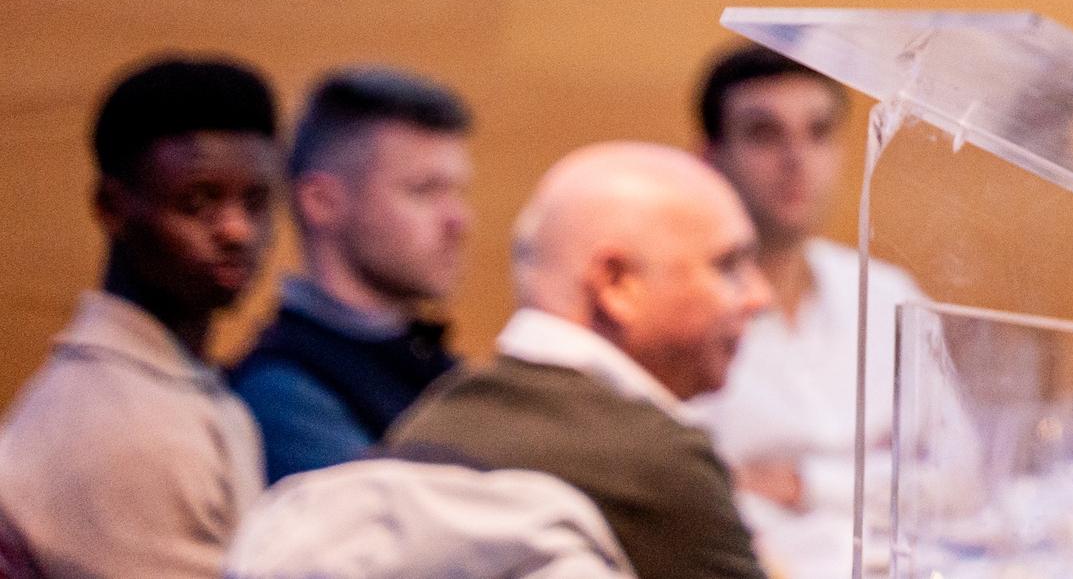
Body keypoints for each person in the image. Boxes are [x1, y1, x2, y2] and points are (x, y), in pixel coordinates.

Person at [388, 141, 773, 579]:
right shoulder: (661, 467)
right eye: (728, 267)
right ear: (616, 283)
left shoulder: (418, 430)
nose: (759, 297)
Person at [0, 55, 279, 579]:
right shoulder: (120, 429)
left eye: (257, 202)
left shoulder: (169, 385)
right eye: (198, 202)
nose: (237, 230)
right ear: (112, 206)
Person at [689, 43, 923, 578]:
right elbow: (696, 494)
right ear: (711, 157)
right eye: (764, 134)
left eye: (818, 132)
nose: (796, 159)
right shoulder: (681, 313)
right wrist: (879, 473)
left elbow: (962, 480)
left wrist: (800, 483)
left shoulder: (888, 293)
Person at [230, 65, 475, 477]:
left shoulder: (427, 363)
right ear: (322, 202)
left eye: (457, 192)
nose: (458, 220)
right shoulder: (282, 393)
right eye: (423, 191)